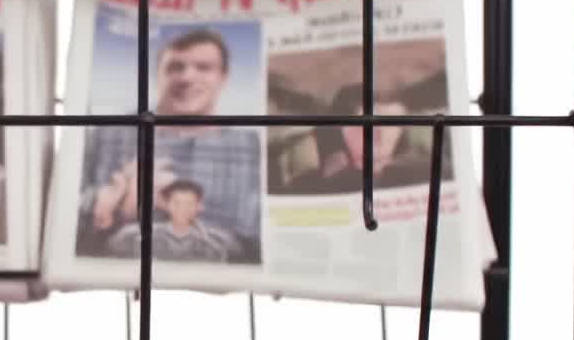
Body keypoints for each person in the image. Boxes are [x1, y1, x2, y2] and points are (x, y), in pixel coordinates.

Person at [78, 28, 262, 262]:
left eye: (203, 67)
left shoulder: (251, 148)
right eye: (175, 67)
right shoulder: (106, 135)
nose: (187, 77)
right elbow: (61, 217)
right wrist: (110, 201)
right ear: (158, 74)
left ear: (223, 77)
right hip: (120, 281)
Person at [285, 83, 445, 195]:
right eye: (362, 125)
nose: (379, 132)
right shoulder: (312, 184)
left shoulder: (425, 173)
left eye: (388, 121)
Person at [106, 179, 243, 263]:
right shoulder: (133, 236)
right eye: (176, 203)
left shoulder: (219, 241)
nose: (182, 209)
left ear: (200, 206)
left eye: (189, 203)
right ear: (166, 205)